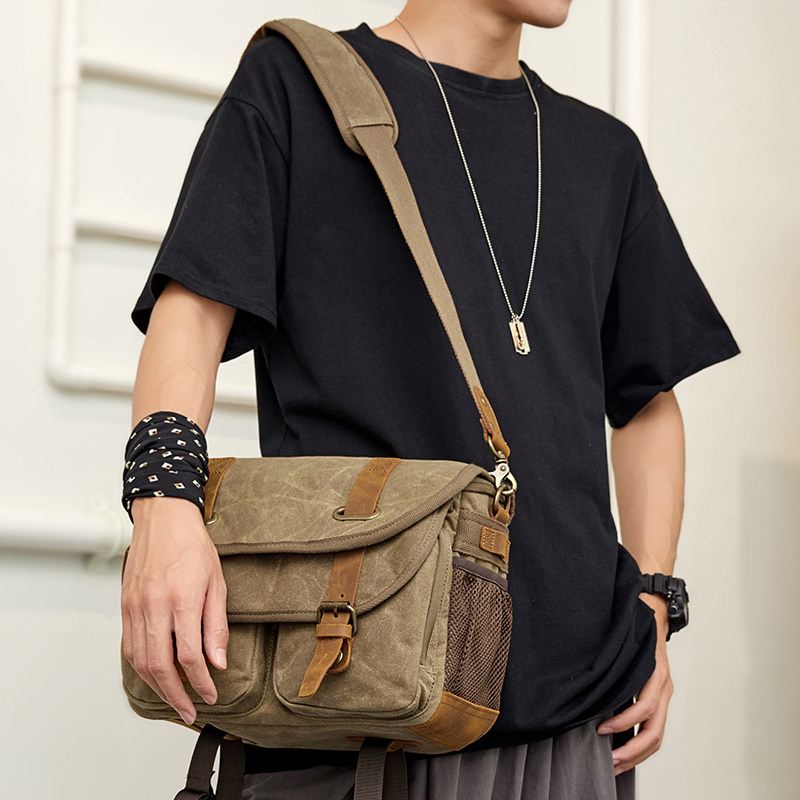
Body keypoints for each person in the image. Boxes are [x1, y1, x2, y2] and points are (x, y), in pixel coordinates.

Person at [120, 1, 740, 797]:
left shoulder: (603, 153)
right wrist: (163, 508)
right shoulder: (300, 85)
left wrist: (654, 600)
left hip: (580, 714)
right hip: (367, 695)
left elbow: (647, 396)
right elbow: (191, 313)